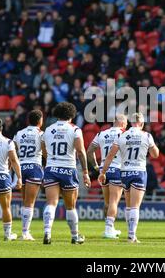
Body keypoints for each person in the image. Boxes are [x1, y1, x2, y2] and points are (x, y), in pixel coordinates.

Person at [100, 113, 159, 243]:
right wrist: (152, 146)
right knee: (135, 206)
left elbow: (110, 156)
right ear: (142, 124)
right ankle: (132, 235)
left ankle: (130, 233)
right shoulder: (146, 135)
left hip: (124, 173)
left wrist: (103, 172)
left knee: (128, 205)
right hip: (139, 172)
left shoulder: (122, 135)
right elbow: (155, 155)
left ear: (131, 122)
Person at [41, 102, 91, 245]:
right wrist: (86, 172)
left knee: (51, 203)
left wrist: (50, 159)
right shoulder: (75, 129)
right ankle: (75, 236)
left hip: (51, 169)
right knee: (70, 206)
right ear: (71, 115)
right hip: (68, 169)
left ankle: (47, 233)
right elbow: (81, 151)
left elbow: (43, 148)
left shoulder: (49, 129)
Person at [88, 114, 128, 239]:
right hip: (117, 168)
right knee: (113, 202)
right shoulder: (124, 133)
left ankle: (110, 227)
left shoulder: (101, 133)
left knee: (107, 202)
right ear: (122, 123)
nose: (126, 125)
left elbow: (90, 151)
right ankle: (108, 229)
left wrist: (95, 167)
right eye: (126, 123)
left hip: (103, 170)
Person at [13, 110, 44, 241]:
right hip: (34, 167)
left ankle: (25, 231)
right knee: (30, 202)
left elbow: (12, 150)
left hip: (21, 167)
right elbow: (46, 150)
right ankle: (25, 232)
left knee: (25, 201)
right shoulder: (41, 134)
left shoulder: (19, 133)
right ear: (40, 121)